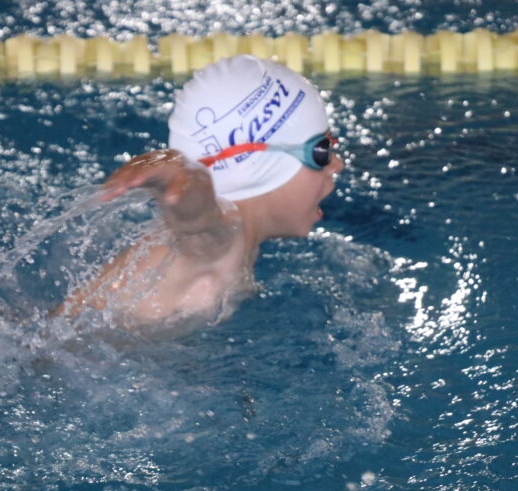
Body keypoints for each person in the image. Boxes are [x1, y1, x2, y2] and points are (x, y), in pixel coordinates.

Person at [52, 54, 344, 329]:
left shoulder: (239, 238)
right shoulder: (225, 242)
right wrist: (174, 170)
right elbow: (196, 222)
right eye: (322, 150)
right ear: (257, 164)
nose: (337, 165)